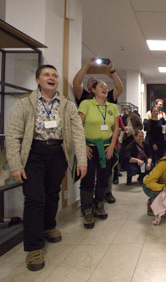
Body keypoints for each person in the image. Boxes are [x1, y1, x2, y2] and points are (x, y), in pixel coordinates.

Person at [6, 65, 87, 271]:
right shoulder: (25, 103)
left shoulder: (67, 105)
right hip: (34, 154)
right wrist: (15, 164)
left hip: (58, 154)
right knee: (34, 198)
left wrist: (82, 161)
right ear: (37, 80)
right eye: (46, 75)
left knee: (52, 194)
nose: (51, 78)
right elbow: (13, 134)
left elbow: (78, 133)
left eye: (54, 75)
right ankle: (34, 248)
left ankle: (49, 226)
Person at [78, 80, 120, 229]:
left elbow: (115, 129)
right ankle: (87, 210)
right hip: (88, 147)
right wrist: (82, 145)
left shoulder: (112, 107)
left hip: (106, 148)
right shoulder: (86, 104)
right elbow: (78, 126)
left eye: (106, 87)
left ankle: (99, 204)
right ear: (93, 90)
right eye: (101, 86)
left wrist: (112, 146)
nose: (105, 88)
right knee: (88, 178)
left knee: (103, 177)